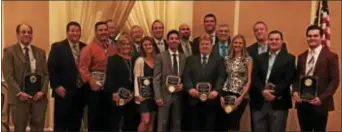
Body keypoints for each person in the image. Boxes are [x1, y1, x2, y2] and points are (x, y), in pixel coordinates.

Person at [2, 23, 49, 132]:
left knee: (38, 128)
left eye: (29, 32)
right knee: (19, 128)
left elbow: (46, 74)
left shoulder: (40, 52)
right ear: (17, 35)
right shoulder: (9, 52)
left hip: (38, 98)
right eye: (23, 32)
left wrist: (42, 91)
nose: (27, 34)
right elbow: (9, 75)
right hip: (19, 98)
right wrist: (19, 93)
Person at [293, 25, 340, 132]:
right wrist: (295, 91)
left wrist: (321, 98)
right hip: (302, 103)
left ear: (321, 37)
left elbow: (335, 81)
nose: (312, 38)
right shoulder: (301, 56)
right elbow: (296, 77)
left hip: (320, 103)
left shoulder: (330, 56)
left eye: (315, 36)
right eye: (309, 36)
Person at [251, 30, 295, 132]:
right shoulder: (259, 58)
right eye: (271, 39)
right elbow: (254, 77)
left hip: (278, 102)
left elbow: (288, 79)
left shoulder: (289, 58)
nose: (274, 41)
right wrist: (263, 91)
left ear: (282, 41)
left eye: (276, 39)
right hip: (259, 102)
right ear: (268, 41)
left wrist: (273, 93)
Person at [48, 21, 87, 131]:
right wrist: (56, 86)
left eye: (77, 31)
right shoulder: (57, 47)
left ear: (80, 33)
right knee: (61, 124)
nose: (75, 33)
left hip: (80, 92)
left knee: (76, 123)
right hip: (63, 92)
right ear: (67, 32)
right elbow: (51, 68)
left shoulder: (85, 47)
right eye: (72, 31)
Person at [78, 21, 117, 131]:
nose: (103, 32)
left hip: (109, 88)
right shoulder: (88, 49)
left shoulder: (113, 48)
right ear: (96, 32)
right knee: (95, 119)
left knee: (108, 118)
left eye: (105, 30)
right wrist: (91, 82)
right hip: (94, 89)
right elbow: (83, 68)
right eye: (100, 30)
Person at [183, 33, 225, 131]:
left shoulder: (219, 60)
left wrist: (216, 91)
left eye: (207, 44)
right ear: (199, 45)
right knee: (194, 127)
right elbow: (186, 76)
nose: (204, 46)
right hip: (194, 100)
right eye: (202, 44)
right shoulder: (190, 59)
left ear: (211, 45)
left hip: (211, 101)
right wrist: (190, 89)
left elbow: (221, 77)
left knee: (209, 127)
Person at [104, 35, 140, 132]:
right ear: (118, 46)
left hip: (131, 96)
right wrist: (114, 93)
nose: (126, 46)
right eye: (123, 44)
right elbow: (109, 78)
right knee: (116, 122)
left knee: (130, 122)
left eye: (128, 44)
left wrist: (134, 92)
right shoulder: (112, 59)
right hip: (118, 95)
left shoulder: (134, 59)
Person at [153, 30, 186, 132]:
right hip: (164, 95)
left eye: (176, 38)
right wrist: (158, 96)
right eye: (171, 38)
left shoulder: (184, 57)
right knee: (162, 123)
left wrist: (183, 85)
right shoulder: (160, 56)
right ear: (167, 40)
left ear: (179, 41)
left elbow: (186, 76)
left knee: (177, 123)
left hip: (179, 96)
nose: (174, 40)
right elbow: (156, 78)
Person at [218, 34, 252, 131]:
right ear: (232, 44)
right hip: (226, 92)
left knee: (234, 122)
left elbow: (249, 80)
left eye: (240, 43)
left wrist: (241, 97)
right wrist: (221, 95)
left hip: (240, 94)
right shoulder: (227, 59)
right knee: (225, 122)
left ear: (244, 45)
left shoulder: (248, 59)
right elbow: (223, 77)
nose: (238, 45)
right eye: (236, 43)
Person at [134, 36, 157, 132]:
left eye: (150, 44)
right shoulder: (140, 60)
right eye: (145, 45)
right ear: (142, 47)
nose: (148, 46)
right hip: (143, 96)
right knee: (145, 121)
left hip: (154, 95)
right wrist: (137, 94)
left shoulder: (157, 60)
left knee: (151, 122)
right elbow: (136, 78)